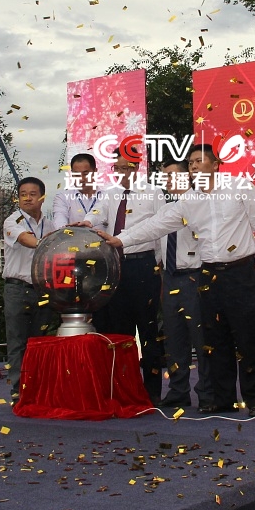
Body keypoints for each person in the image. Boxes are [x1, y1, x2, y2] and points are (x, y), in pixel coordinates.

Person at [98, 144, 255, 417]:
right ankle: (222, 398)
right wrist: (121, 240)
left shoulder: (239, 186)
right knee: (215, 338)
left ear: (215, 164)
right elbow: (156, 225)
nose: (194, 166)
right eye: (191, 162)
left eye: (199, 161)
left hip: (240, 269)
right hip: (208, 273)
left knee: (246, 336)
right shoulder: (188, 201)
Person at [93, 154, 164, 403]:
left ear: (137, 167)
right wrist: (86, 222)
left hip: (144, 265)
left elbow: (162, 229)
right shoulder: (109, 194)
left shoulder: (153, 192)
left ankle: (153, 391)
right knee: (120, 331)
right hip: (117, 267)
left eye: (127, 167)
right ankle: (126, 389)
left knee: (148, 329)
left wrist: (158, 265)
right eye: (118, 167)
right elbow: (96, 215)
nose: (122, 172)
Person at [156, 161, 213, 411]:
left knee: (201, 338)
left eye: (171, 175)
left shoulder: (201, 203)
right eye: (164, 177)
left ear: (187, 177)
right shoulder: (165, 210)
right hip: (169, 277)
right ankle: (178, 391)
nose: (167, 180)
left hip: (194, 276)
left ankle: (208, 393)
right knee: (174, 338)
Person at [2, 177, 58, 400]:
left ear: (42, 197)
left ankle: (37, 389)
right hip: (16, 289)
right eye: (23, 194)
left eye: (32, 194)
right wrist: (49, 242)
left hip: (42, 290)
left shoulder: (50, 224)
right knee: (17, 341)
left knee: (39, 340)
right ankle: (18, 391)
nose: (27, 198)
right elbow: (26, 240)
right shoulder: (11, 221)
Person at [52, 153, 112, 231]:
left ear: (95, 172)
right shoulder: (63, 197)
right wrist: (63, 231)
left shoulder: (108, 197)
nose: (81, 179)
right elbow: (59, 221)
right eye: (77, 175)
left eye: (85, 174)